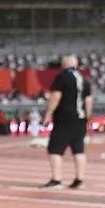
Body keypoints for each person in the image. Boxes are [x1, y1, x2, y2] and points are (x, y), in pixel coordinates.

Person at [41, 55, 93, 189]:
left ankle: (56, 180)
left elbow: (56, 96)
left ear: (64, 64)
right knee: (79, 150)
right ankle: (79, 180)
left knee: (55, 149)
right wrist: (87, 117)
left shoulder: (62, 77)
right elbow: (88, 100)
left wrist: (48, 114)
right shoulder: (83, 79)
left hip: (64, 119)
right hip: (80, 119)